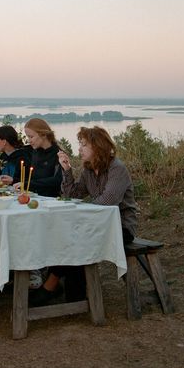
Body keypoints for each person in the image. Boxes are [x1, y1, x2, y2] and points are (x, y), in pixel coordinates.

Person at [31, 126, 139, 306]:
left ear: (98, 147)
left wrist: (82, 214)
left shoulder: (117, 169)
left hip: (120, 227)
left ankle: (54, 288)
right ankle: (75, 296)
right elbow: (71, 195)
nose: (79, 149)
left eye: (83, 145)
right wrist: (66, 170)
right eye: (79, 144)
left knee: (75, 239)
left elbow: (108, 201)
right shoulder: (89, 170)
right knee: (70, 238)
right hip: (96, 224)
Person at [22, 117, 62, 196]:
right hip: (33, 198)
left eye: (31, 137)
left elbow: (57, 180)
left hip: (52, 202)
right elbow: (32, 179)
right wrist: (13, 180)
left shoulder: (58, 154)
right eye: (28, 137)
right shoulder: (35, 152)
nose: (29, 140)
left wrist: (26, 184)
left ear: (43, 135)